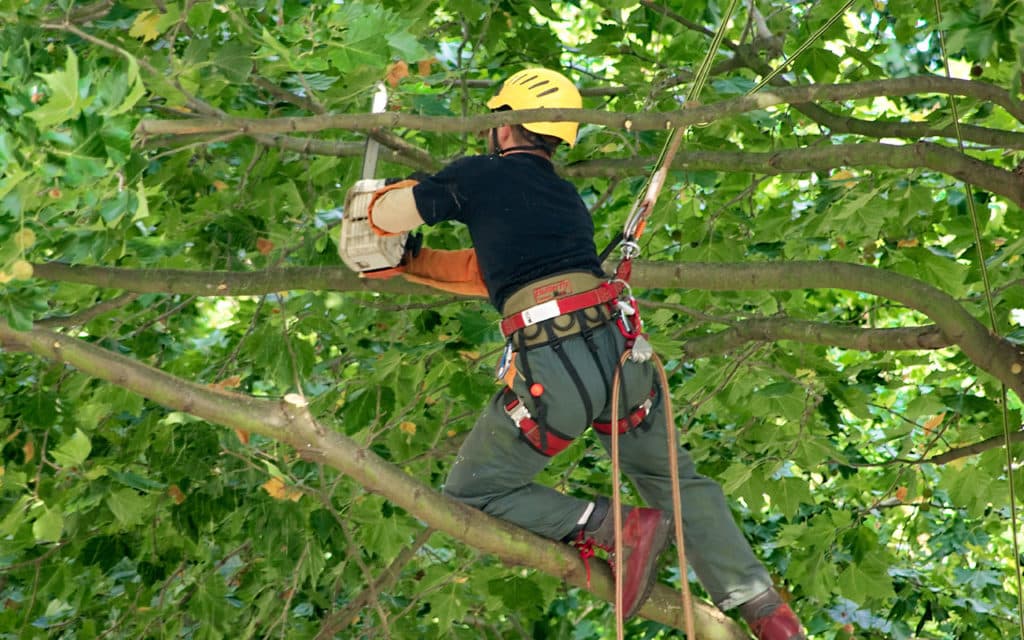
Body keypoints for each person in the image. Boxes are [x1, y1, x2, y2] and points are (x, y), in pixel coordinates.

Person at [361, 67, 806, 639]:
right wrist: (414, 263)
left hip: (557, 361)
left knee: (472, 492)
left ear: (505, 125)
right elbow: (489, 272)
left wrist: (374, 208)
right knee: (674, 480)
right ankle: (767, 611)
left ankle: (606, 525)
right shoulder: (563, 198)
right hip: (618, 355)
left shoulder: (479, 177)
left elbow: (385, 216)